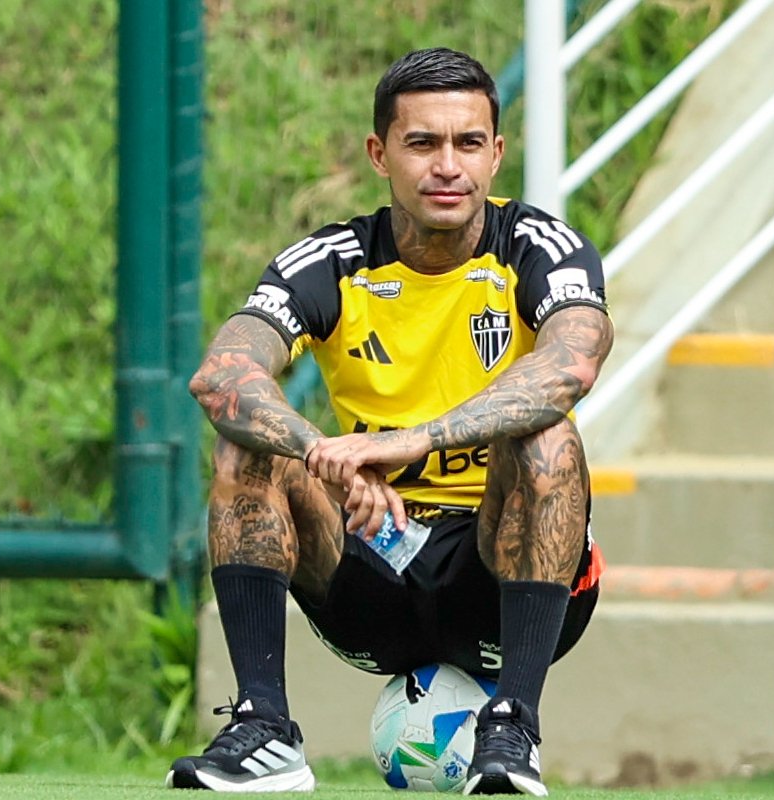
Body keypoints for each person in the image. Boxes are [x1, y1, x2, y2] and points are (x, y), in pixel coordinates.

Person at [166, 47, 614, 795]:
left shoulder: (541, 249)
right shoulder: (332, 260)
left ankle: (513, 734)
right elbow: (221, 376)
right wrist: (324, 456)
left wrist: (414, 441)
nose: (448, 165)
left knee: (546, 433)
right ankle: (265, 730)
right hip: (374, 564)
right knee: (246, 446)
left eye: (468, 143)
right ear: (380, 154)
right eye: (422, 143)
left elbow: (570, 366)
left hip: (499, 570)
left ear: (496, 154)